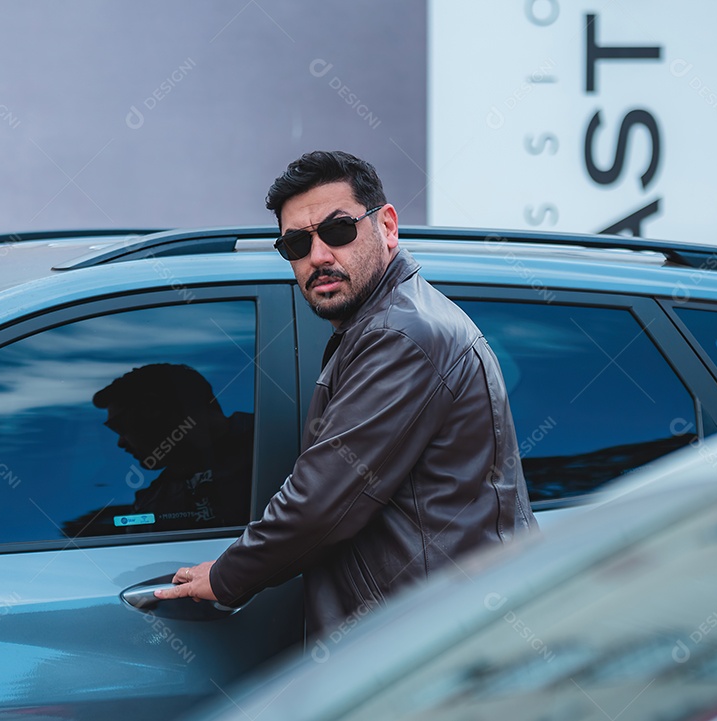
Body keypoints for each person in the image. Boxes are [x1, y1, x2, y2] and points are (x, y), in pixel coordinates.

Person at [155, 151, 537, 635]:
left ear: (388, 227)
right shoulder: (391, 322)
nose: (318, 256)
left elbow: (320, 504)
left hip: (428, 650)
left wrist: (229, 576)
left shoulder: (401, 336)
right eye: (296, 243)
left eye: (338, 230)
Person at [69, 363, 251, 535]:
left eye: (121, 427)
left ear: (153, 409)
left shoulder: (270, 446)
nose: (120, 442)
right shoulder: (154, 502)